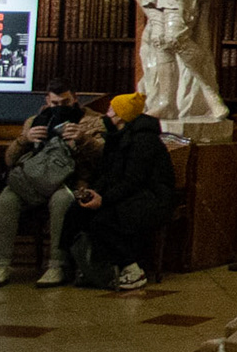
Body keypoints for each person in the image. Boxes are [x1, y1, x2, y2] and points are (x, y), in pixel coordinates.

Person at [0, 79, 103, 288]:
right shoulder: (35, 121)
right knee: (7, 199)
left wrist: (83, 139)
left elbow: (102, 158)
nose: (59, 108)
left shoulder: (93, 121)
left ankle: (56, 266)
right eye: (54, 103)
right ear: (47, 101)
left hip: (69, 180)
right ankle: (0, 266)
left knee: (62, 201)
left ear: (75, 99)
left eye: (65, 102)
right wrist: (25, 140)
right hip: (33, 179)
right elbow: (10, 160)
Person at [60, 92, 175, 293]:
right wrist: (92, 192)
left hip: (151, 198)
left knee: (103, 219)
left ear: (121, 116)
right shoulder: (117, 137)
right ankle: (81, 267)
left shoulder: (143, 141)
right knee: (76, 212)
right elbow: (108, 173)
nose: (107, 113)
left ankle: (132, 268)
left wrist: (103, 200)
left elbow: (133, 180)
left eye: (111, 109)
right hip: (129, 193)